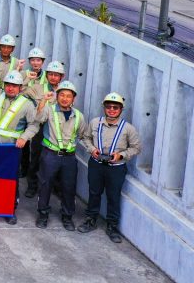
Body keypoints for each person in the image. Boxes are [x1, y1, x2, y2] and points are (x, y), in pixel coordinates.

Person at [78, 92, 142, 243]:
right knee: (94, 192)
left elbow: (136, 147)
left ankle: (112, 226)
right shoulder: (95, 123)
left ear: (121, 109)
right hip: (97, 164)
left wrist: (121, 155)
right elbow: (86, 137)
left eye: (115, 107)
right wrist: (92, 149)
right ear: (104, 108)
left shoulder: (128, 129)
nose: (112, 110)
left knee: (113, 196)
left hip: (116, 168)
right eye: (108, 107)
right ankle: (90, 219)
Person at [0, 70, 40, 225]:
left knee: (10, 181)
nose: (10, 88)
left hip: (11, 149)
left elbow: (34, 124)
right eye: (8, 85)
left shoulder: (27, 104)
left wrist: (24, 137)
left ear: (20, 87)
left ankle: (10, 210)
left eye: (14, 86)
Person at [34, 80, 86, 231]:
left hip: (69, 157)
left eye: (68, 96)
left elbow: (83, 134)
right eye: (61, 95)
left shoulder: (78, 116)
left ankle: (67, 216)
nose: (64, 98)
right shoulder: (49, 110)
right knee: (45, 185)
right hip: (50, 155)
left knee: (69, 187)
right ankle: (43, 215)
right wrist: (43, 100)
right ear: (57, 96)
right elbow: (37, 118)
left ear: (73, 99)